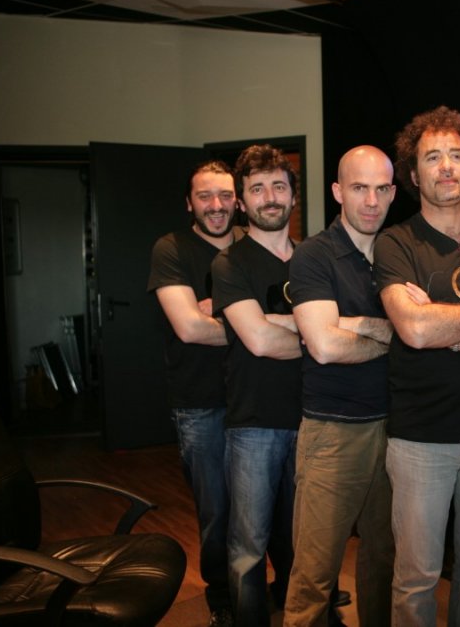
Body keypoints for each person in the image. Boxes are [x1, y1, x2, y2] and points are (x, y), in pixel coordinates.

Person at [374, 106, 460, 626]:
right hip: (421, 440)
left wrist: (445, 323)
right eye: (432, 157)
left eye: (456, 155)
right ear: (413, 173)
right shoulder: (395, 242)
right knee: (417, 577)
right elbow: (415, 330)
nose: (446, 166)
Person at [283, 145, 398, 627]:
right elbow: (326, 346)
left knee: (384, 561)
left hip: (397, 431)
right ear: (337, 191)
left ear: (393, 193)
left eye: (381, 189)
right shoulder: (314, 254)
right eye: (359, 188)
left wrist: (355, 324)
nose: (371, 201)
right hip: (334, 433)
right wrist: (392, 334)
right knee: (314, 576)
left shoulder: (397, 253)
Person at [209, 144, 304, 626]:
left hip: (313, 422)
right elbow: (260, 341)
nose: (270, 197)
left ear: (293, 197)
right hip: (254, 425)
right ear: (242, 203)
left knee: (303, 543)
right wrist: (320, 336)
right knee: (248, 547)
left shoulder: (313, 260)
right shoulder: (230, 264)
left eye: (279, 187)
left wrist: (275, 322)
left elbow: (274, 332)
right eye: (258, 188)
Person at [147, 160, 239, 627]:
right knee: (217, 512)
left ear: (238, 199)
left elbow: (293, 319)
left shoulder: (254, 246)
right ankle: (222, 598)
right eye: (205, 196)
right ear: (190, 203)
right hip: (201, 404)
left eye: (225, 195)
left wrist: (214, 312)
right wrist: (252, 324)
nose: (216, 205)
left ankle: (276, 589)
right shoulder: (172, 249)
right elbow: (188, 328)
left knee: (272, 507)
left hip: (256, 398)